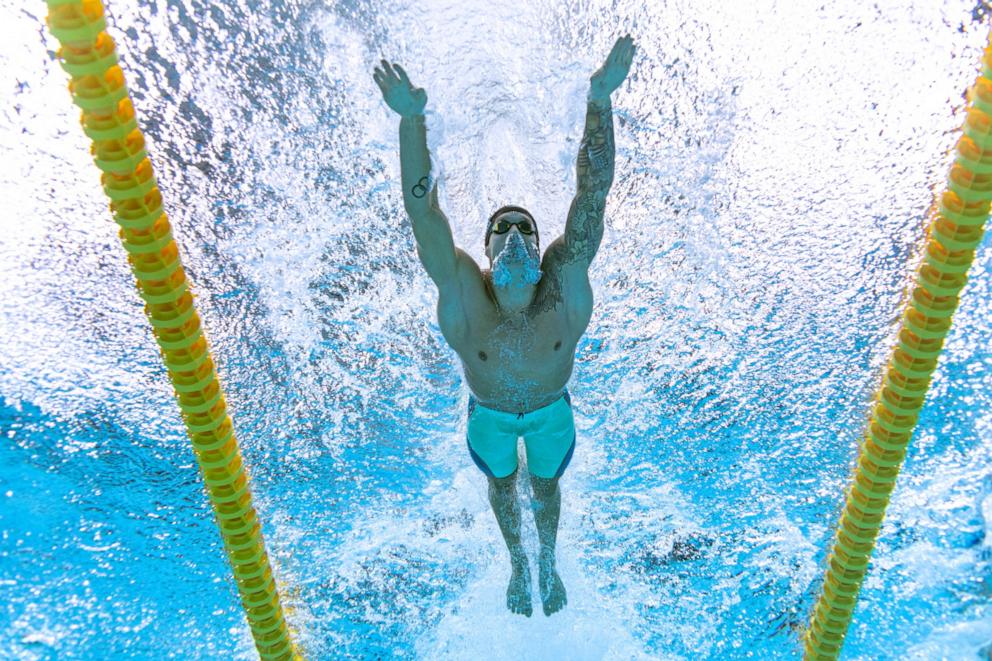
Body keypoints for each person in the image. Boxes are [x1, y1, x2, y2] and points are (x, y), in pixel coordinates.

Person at [372, 35, 636, 617]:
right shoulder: (463, 287)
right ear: (487, 249)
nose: (515, 232)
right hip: (488, 414)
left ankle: (546, 562)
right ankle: (518, 562)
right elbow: (424, 212)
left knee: (545, 489)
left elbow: (594, 194)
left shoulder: (565, 279)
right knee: (501, 487)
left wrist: (600, 99)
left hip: (550, 413)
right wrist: (412, 121)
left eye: (525, 226)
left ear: (542, 249)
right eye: (502, 227)